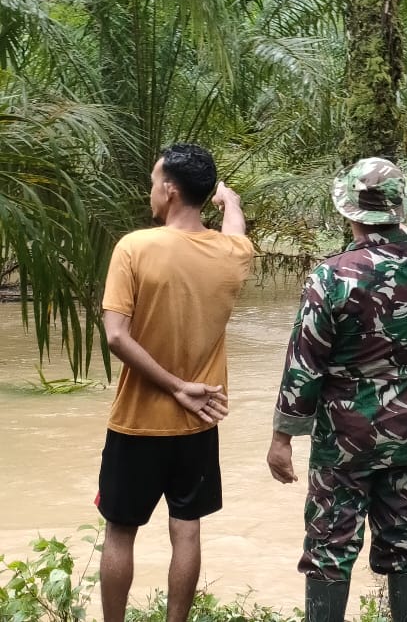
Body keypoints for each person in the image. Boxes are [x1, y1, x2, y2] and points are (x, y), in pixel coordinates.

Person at [267, 158, 407, 622]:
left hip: (343, 441)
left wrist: (283, 437)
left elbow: (304, 364)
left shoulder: (330, 277)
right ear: (400, 208)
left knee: (330, 548)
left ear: (349, 212)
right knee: (406, 544)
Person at [97, 143, 253, 622]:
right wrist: (232, 204)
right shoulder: (233, 255)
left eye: (152, 182)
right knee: (187, 529)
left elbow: (116, 337)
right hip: (199, 422)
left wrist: (172, 385)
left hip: (137, 423)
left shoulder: (135, 247)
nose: (149, 192)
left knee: (120, 532)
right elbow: (235, 234)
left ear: (169, 190)